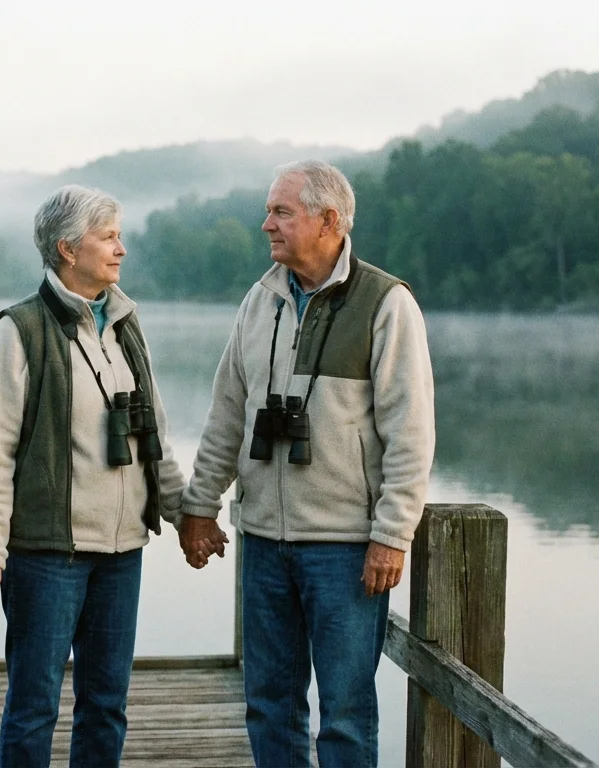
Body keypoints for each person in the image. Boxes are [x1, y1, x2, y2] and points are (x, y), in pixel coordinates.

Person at [178, 160, 435, 767]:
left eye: (281, 212)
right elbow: (227, 414)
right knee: (269, 703)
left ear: (328, 220)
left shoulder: (386, 303)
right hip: (264, 540)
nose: (265, 223)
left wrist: (392, 536)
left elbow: (411, 434)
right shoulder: (259, 299)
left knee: (344, 715)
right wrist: (199, 506)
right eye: (269, 210)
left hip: (344, 549)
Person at [0, 185, 199, 767]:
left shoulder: (125, 324)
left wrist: (185, 514)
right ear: (68, 249)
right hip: (47, 554)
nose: (121, 248)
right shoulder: (19, 329)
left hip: (123, 553)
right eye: (108, 237)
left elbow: (153, 434)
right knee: (33, 706)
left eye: (119, 235)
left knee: (106, 705)